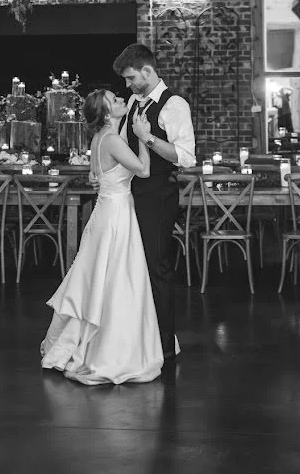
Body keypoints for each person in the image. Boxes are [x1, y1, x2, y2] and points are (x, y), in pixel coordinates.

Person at [40, 88, 163, 385]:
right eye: (115, 100)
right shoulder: (113, 139)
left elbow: (102, 175)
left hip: (106, 212)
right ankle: (110, 350)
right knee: (118, 278)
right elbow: (143, 171)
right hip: (116, 215)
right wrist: (143, 136)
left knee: (103, 278)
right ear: (107, 112)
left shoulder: (100, 138)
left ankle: (94, 338)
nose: (121, 100)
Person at [112, 43, 196, 361]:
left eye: (132, 77)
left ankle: (162, 344)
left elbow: (185, 157)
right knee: (134, 266)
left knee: (156, 266)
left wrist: (147, 137)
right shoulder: (135, 101)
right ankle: (138, 338)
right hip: (130, 195)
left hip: (159, 196)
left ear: (148, 71)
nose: (128, 85)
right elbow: (123, 145)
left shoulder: (175, 105)